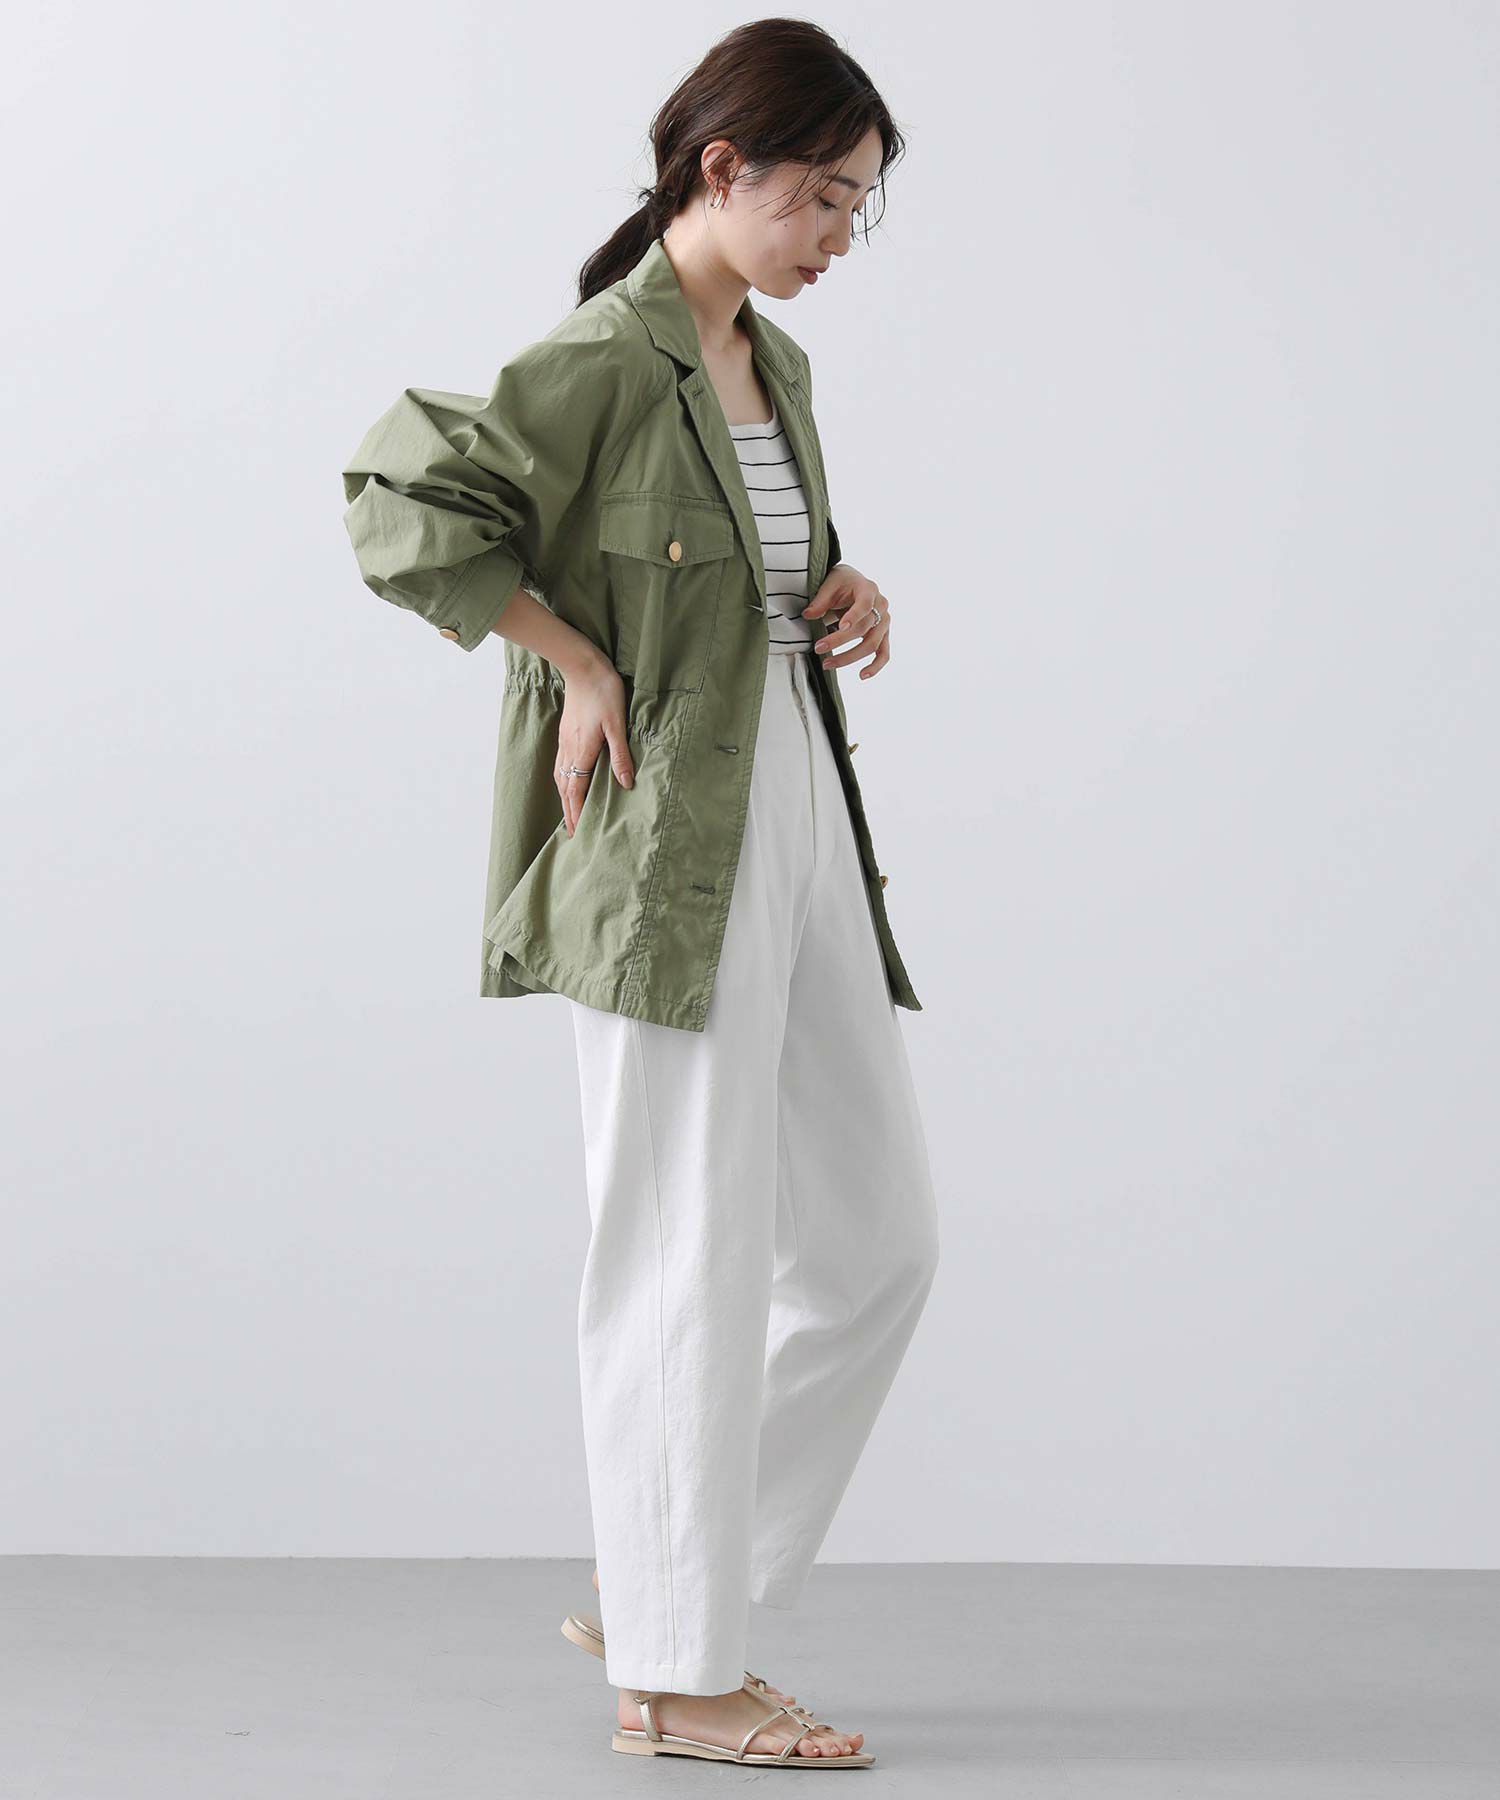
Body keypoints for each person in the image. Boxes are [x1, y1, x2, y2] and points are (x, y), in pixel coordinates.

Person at [341, 19, 938, 1770]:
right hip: (671, 842)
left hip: (799, 802)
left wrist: (840, 587)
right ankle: (679, 1675)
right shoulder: (606, 355)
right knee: (684, 1249)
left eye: (861, 206)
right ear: (720, 167)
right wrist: (571, 659)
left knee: (878, 1244)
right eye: (822, 195)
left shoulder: (773, 363)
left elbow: (739, 570)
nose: (839, 234)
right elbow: (395, 498)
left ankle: (674, 1580)